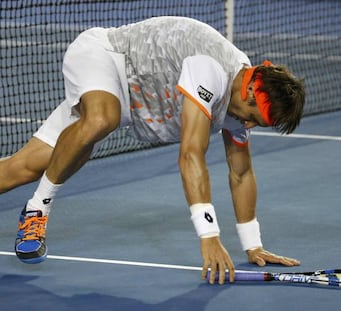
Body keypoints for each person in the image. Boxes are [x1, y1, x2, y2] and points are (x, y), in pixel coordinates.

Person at [0, 16, 305, 284]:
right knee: (101, 118)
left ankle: (34, 198)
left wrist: (252, 244)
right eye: (252, 118)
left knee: (23, 168)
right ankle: (37, 210)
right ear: (251, 90)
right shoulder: (210, 70)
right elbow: (190, 154)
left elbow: (241, 172)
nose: (247, 126)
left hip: (128, 101)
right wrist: (209, 236)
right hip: (106, 58)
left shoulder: (240, 100)